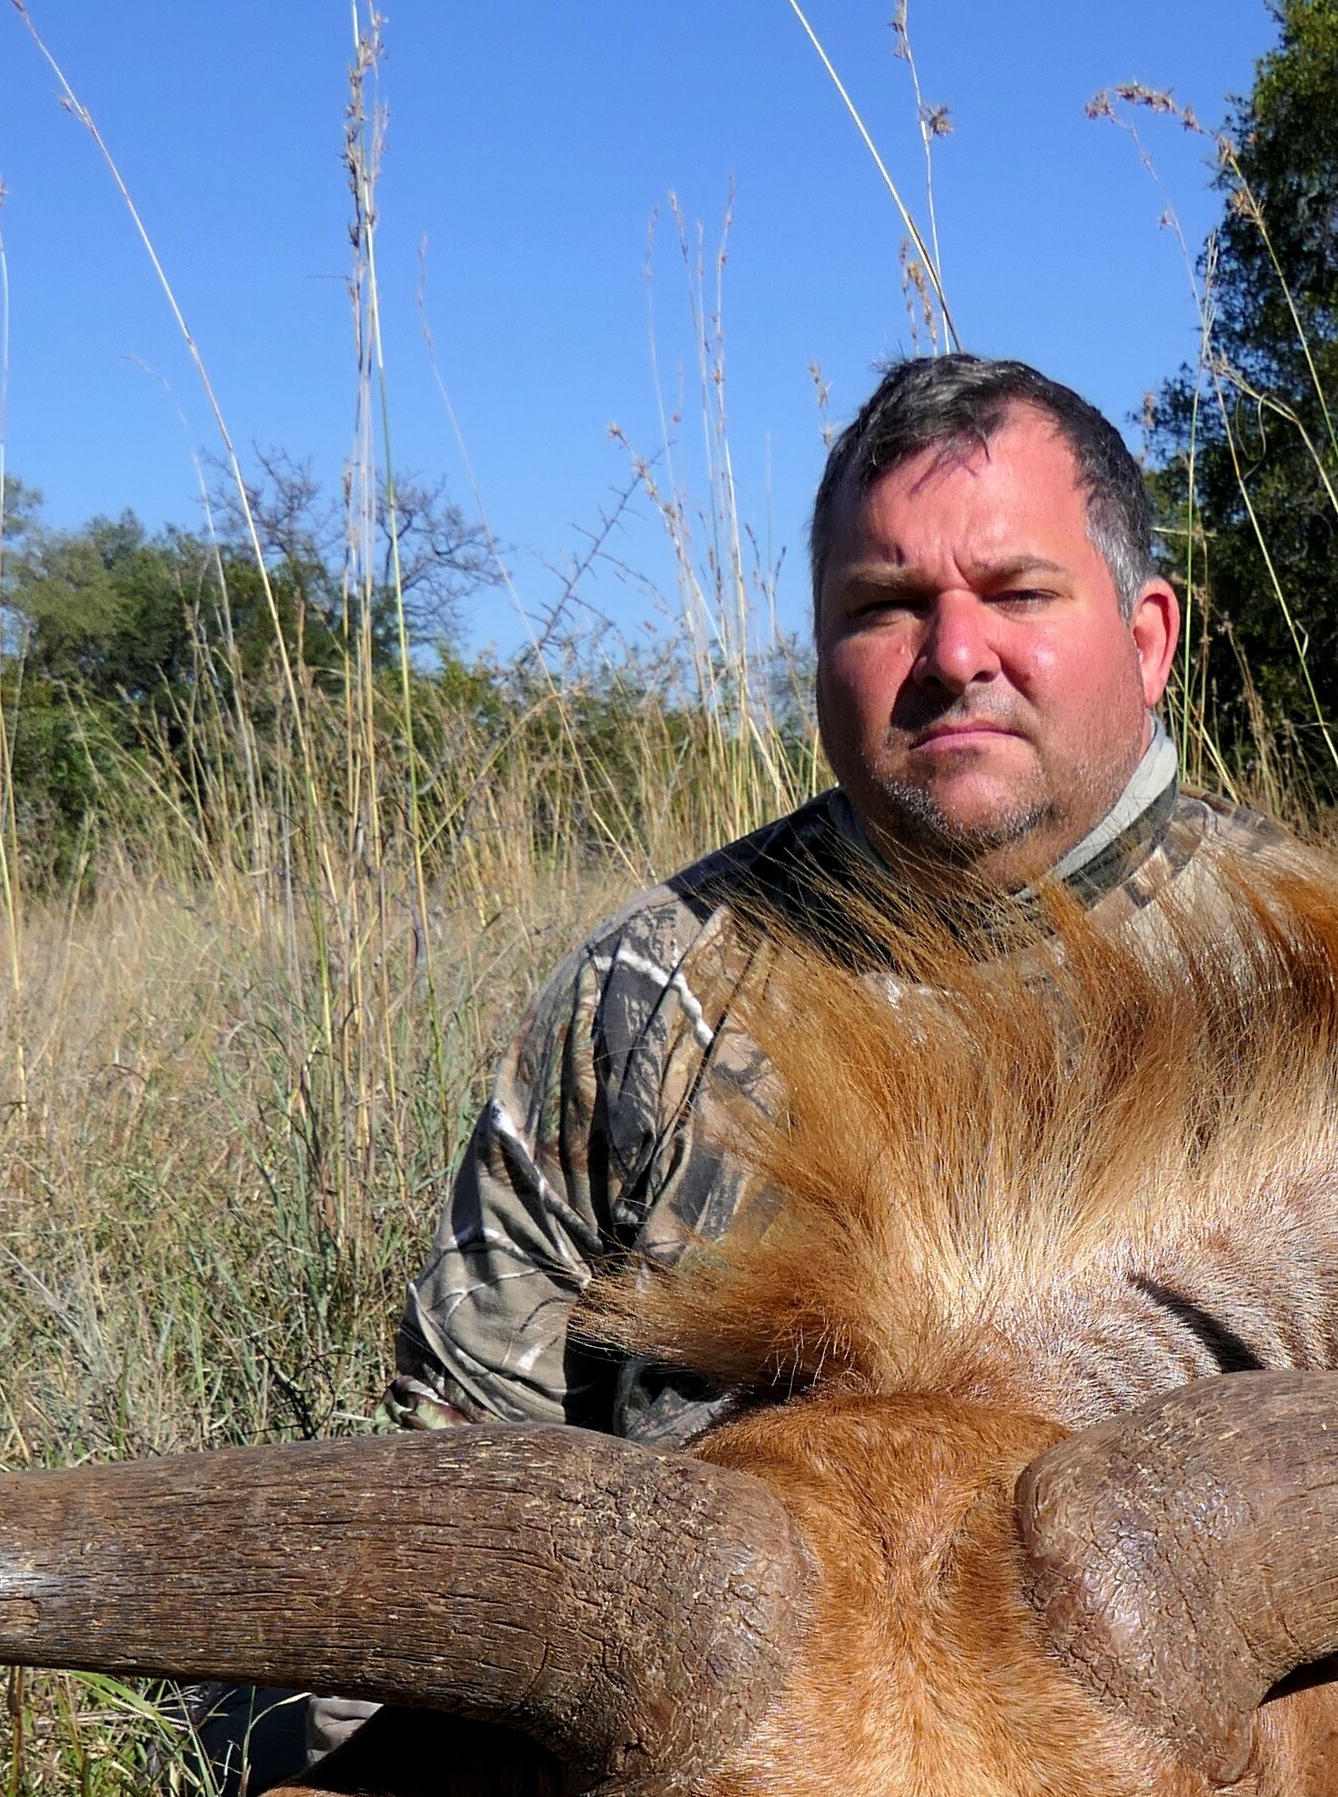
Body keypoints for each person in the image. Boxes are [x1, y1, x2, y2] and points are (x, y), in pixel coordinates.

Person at [385, 349, 1284, 1459]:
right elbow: (460, 1457)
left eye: (1017, 592)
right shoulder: (642, 995)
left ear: (1147, 640)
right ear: (817, 656)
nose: (955, 654)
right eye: (884, 607)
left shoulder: (1337, 976)